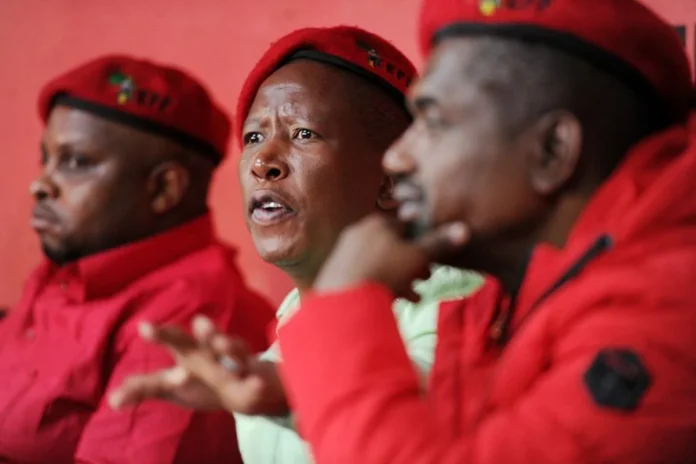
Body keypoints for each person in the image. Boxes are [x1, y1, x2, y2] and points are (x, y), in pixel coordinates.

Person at [266, 0, 696, 462]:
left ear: (552, 150)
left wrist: (343, 306)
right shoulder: (516, 298)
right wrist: (288, 393)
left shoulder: (662, 318)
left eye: (432, 122)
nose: (397, 158)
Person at [108, 26, 482, 463]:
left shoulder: (452, 305)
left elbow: (415, 432)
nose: (262, 162)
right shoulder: (289, 319)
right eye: (253, 137)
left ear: (392, 179)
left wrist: (284, 394)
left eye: (303, 133)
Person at [0, 55, 275, 463]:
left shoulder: (191, 316)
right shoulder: (70, 264)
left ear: (164, 188)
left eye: (75, 162)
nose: (40, 185)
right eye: (46, 160)